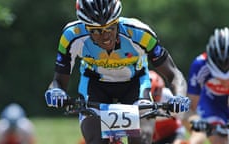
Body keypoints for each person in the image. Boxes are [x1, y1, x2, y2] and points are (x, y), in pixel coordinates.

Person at [44, 0, 190, 144]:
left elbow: (174, 74)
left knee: (141, 139)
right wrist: (56, 92)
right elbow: (59, 80)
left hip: (135, 84)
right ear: (85, 27)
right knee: (96, 141)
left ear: (117, 21)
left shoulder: (140, 33)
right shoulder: (71, 36)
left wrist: (179, 97)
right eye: (96, 31)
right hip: (95, 86)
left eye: (111, 28)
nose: (105, 36)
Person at [187, 27, 229, 144]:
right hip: (211, 103)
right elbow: (191, 106)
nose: (224, 82)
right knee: (204, 139)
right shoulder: (200, 65)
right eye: (219, 77)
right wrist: (198, 122)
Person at [149, 70, 187, 144]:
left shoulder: (167, 95)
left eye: (156, 93)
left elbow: (180, 113)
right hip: (153, 137)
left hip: (173, 132)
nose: (153, 99)